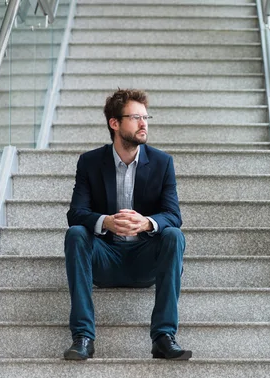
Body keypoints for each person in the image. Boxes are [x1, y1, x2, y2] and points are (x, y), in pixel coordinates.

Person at [63, 89, 191, 361]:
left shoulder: (162, 162)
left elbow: (173, 214)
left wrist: (146, 223)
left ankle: (163, 337)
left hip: (145, 260)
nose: (144, 124)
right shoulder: (90, 162)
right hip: (105, 259)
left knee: (173, 236)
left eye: (146, 117)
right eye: (136, 118)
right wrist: (106, 222)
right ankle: (83, 337)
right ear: (115, 123)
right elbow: (76, 214)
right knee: (76, 234)